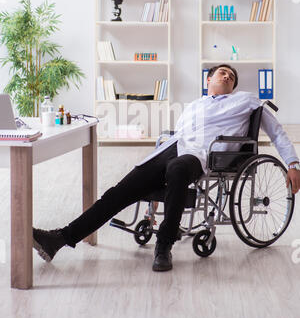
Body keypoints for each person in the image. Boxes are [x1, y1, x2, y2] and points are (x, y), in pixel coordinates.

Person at [33, 64, 300, 272]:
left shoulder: (247, 101)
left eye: (231, 75)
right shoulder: (194, 106)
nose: (228, 76)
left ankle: (164, 244)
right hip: (170, 149)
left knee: (177, 171)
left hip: (201, 155)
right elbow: (179, 134)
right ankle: (59, 238)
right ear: (208, 80)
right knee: (118, 193)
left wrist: (293, 163)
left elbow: (277, 132)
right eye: (222, 72)